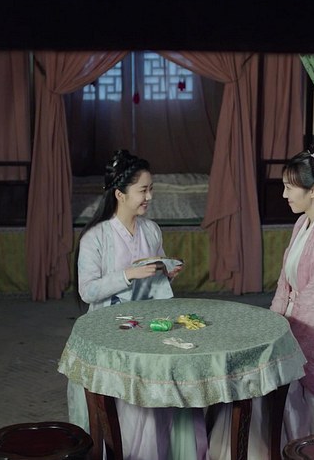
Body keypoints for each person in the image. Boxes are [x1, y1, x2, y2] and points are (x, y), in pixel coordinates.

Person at [208, 141, 314, 459]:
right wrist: (269, 330)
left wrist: (280, 347)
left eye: (290, 187)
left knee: (258, 382)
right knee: (243, 375)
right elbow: (283, 287)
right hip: (290, 329)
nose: (284, 194)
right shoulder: (303, 223)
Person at [65, 149, 204, 460]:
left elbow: (157, 276)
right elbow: (87, 291)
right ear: (120, 194)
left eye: (150, 189)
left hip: (149, 325)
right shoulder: (95, 237)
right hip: (109, 327)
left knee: (156, 393)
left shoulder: (151, 230)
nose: (149, 197)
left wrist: (167, 271)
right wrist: (128, 274)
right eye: (143, 190)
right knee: (123, 401)